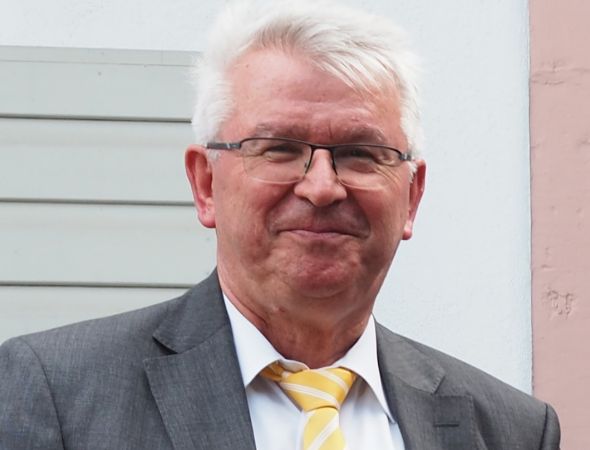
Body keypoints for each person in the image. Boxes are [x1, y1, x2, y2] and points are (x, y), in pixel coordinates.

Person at [0, 1, 560, 449]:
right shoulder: (58, 394)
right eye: (279, 149)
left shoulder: (508, 430)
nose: (322, 187)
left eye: (361, 154)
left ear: (411, 197)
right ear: (205, 185)